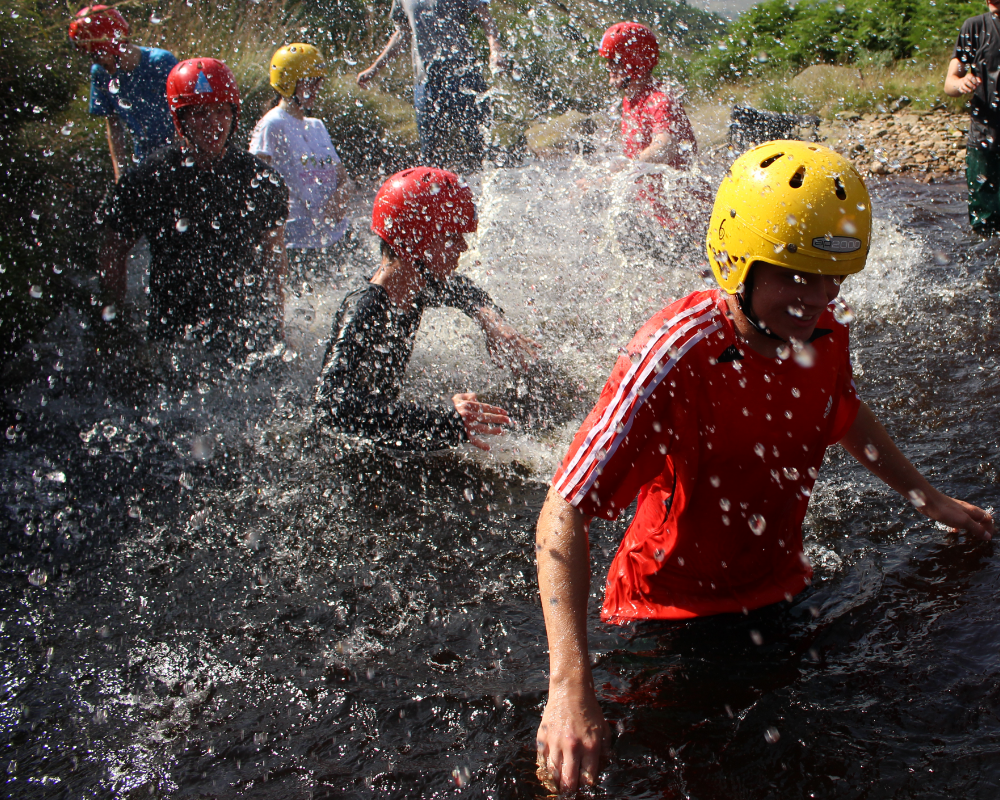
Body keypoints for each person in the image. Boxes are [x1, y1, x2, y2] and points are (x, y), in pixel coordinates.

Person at [533, 141, 996, 793]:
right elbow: (564, 508)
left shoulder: (823, 330)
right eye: (796, 276)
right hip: (668, 616)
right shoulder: (673, 352)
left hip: (778, 591)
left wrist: (928, 497)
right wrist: (568, 685)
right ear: (734, 262)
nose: (818, 297)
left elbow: (841, 411)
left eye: (831, 278)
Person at [315, 167, 539, 451]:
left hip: (383, 442)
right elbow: (332, 409)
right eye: (451, 236)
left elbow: (463, 290)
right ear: (414, 243)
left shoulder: (414, 287)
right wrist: (446, 422)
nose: (463, 246)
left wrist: (492, 323)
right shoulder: (364, 308)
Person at [97, 58, 289, 349]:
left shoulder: (261, 180)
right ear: (180, 119)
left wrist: (277, 327)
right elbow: (113, 250)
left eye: (221, 111)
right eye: (200, 113)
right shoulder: (150, 178)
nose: (213, 124)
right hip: (174, 333)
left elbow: (274, 260)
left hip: (244, 331)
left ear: (234, 115)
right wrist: (116, 328)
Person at [356, 0, 508, 171]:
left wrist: (495, 49)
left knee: (480, 145)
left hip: (463, 75)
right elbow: (403, 33)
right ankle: (438, 195)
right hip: (426, 82)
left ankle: (489, 192)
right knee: (430, 155)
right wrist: (374, 68)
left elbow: (484, 16)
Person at [250, 44, 353, 270]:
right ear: (288, 83)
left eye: (319, 82)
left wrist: (340, 197)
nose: (316, 88)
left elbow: (345, 179)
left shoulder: (317, 126)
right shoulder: (272, 124)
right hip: (296, 243)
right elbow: (254, 183)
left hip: (334, 237)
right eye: (310, 82)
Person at [68, 5, 177, 181]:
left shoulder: (161, 63)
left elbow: (185, 114)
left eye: (96, 55)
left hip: (178, 155)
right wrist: (120, 176)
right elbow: (114, 126)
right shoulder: (100, 74)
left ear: (112, 45)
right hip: (143, 159)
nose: (95, 62)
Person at [599, 22, 696, 170]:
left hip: (677, 192)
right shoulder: (630, 99)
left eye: (614, 60)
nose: (607, 66)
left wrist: (626, 170)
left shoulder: (659, 100)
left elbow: (666, 146)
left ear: (634, 63)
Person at [945, 0, 1000, 236]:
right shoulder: (974, 27)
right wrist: (960, 82)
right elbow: (949, 83)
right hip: (983, 135)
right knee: (983, 224)